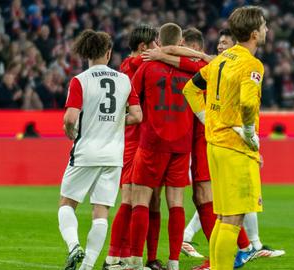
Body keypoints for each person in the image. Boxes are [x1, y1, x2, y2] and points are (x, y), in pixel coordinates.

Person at [183, 6, 274, 270]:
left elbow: (190, 89)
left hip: (215, 145)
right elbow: (247, 103)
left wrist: (207, 119)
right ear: (255, 33)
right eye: (265, 26)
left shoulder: (219, 60)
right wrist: (247, 132)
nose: (268, 29)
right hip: (235, 149)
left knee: (223, 217)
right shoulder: (251, 64)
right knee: (233, 219)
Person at [57, 29, 142, 270]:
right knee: (101, 211)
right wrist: (114, 120)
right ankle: (88, 267)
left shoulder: (80, 80)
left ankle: (74, 246)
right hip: (114, 156)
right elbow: (137, 115)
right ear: (108, 53)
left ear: (86, 54)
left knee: (67, 203)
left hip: (85, 152)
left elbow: (71, 117)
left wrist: (68, 128)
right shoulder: (124, 80)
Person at [128, 23, 194, 270]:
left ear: (158, 41)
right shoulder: (191, 69)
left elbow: (131, 96)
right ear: (181, 43)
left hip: (152, 142)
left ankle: (135, 260)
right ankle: (174, 262)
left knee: (142, 200)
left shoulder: (147, 66)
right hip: (181, 143)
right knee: (176, 202)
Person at [102, 24, 164, 270]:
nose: (159, 49)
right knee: (130, 198)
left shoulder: (132, 66)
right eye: (156, 45)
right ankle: (113, 257)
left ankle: (134, 256)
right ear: (143, 48)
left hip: (145, 139)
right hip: (133, 140)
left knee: (149, 201)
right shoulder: (134, 66)